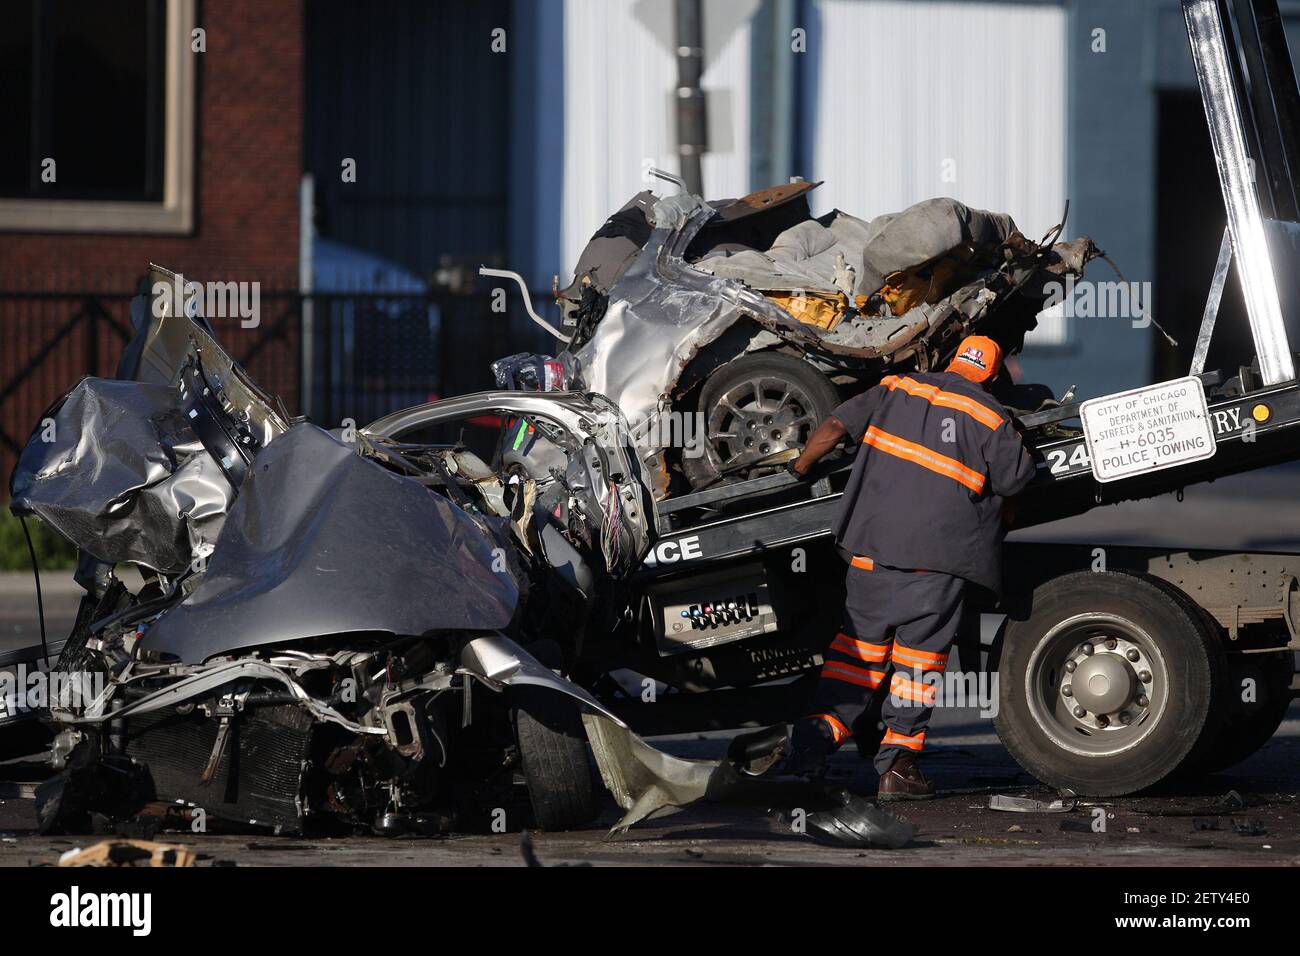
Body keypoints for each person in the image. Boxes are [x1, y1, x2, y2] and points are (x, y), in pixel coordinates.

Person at [783, 335, 1035, 799]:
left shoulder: (896, 388)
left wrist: (799, 469)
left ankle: (813, 742)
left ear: (953, 361)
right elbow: (1016, 478)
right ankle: (897, 767)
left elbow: (835, 427)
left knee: (857, 653)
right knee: (918, 661)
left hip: (870, 553)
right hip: (936, 565)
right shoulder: (991, 416)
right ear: (993, 376)